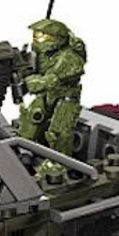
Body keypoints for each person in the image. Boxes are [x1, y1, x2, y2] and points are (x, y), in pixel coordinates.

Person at [18, 18, 86, 179]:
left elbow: (50, 80)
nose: (37, 39)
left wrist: (29, 82)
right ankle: (24, 152)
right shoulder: (42, 54)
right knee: (31, 119)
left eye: (42, 36)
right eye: (36, 35)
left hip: (66, 98)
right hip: (47, 96)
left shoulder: (70, 57)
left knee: (59, 133)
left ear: (56, 38)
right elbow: (32, 70)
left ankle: (60, 165)